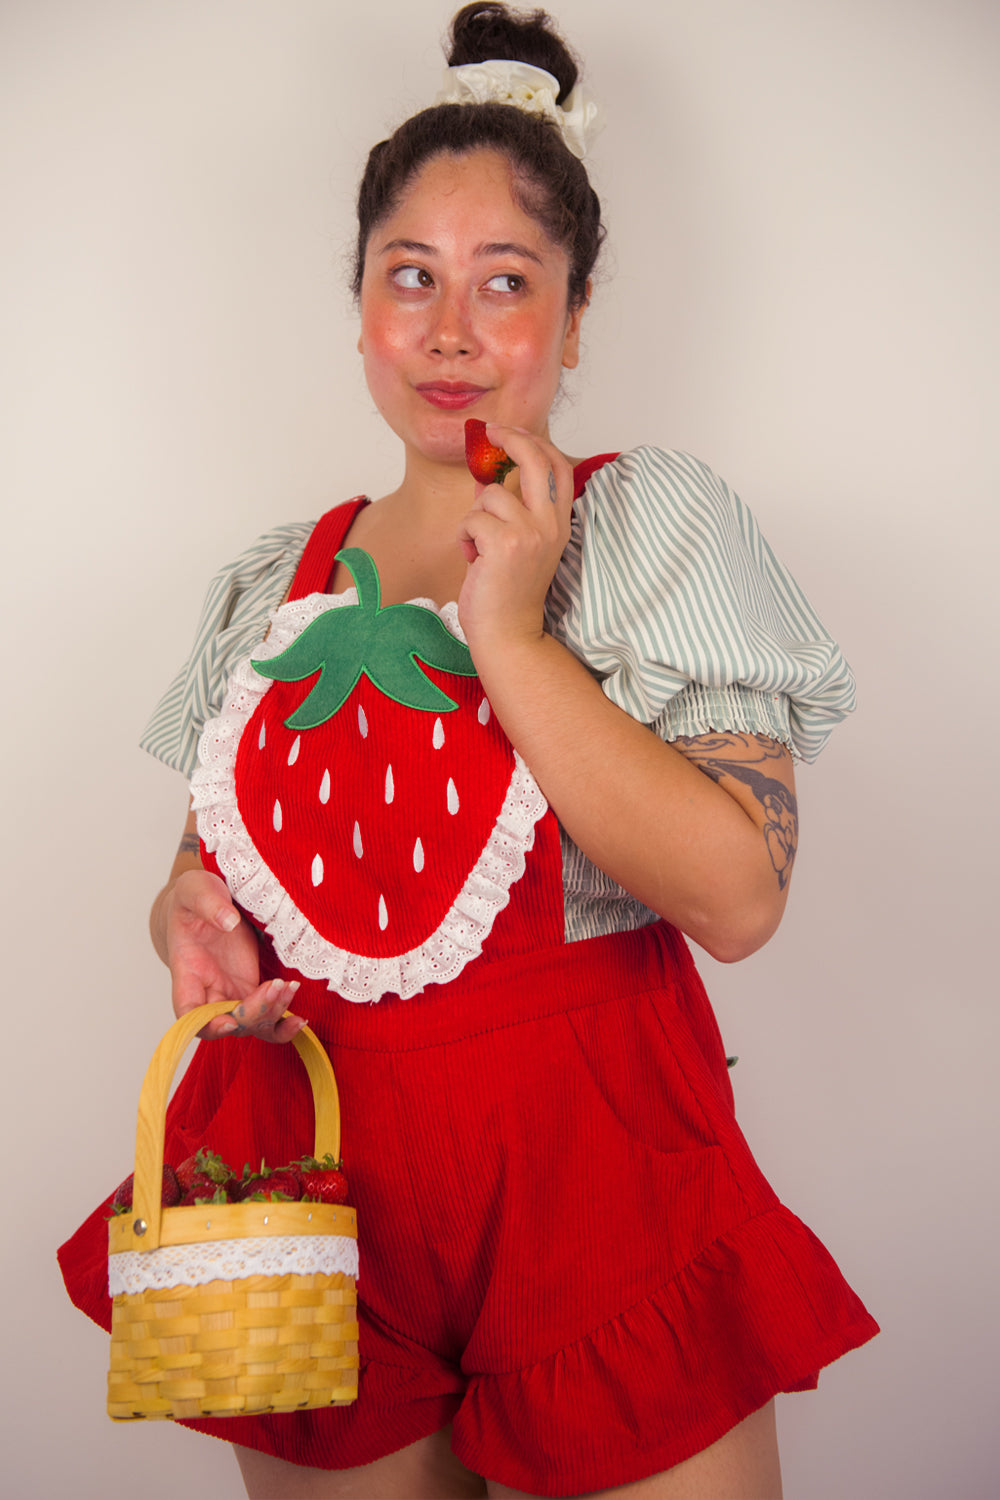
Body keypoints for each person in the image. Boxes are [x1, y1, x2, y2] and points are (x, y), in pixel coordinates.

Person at [59, 4, 878, 1496]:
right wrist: (179, 917)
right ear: (359, 306)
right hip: (324, 1197)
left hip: (602, 1185)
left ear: (572, 323)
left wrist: (510, 632)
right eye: (410, 279)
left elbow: (739, 896)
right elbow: (200, 869)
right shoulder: (273, 582)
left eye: (507, 285)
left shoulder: (652, 523)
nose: (450, 331)